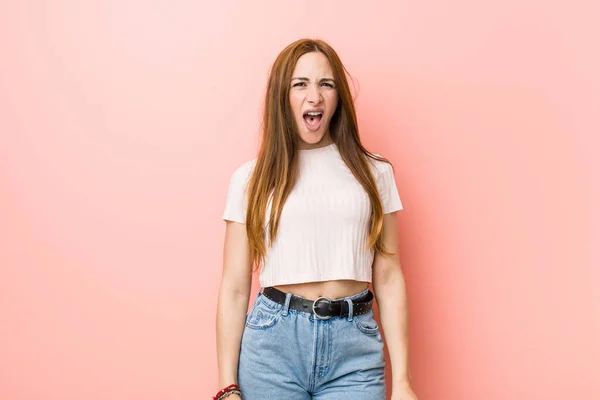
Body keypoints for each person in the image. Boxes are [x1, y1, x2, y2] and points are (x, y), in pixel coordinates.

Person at [214, 38, 418, 400]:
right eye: (300, 84)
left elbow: (388, 274)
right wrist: (227, 387)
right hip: (272, 349)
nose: (315, 96)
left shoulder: (375, 173)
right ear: (282, 96)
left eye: (326, 84)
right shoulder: (250, 178)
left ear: (339, 96)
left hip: (354, 350)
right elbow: (233, 286)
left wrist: (402, 381)